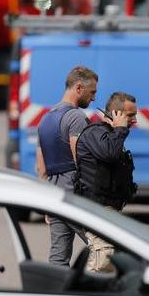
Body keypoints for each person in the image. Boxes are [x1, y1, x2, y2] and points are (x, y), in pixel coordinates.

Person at [36, 66, 98, 266]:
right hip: (75, 197)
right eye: (92, 92)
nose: (94, 98)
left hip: (54, 197)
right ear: (79, 88)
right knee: (102, 248)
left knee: (58, 259)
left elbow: (42, 168)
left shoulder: (45, 120)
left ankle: (55, 295)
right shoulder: (76, 118)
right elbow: (82, 160)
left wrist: (46, 202)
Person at [74, 92, 138, 273]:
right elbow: (108, 153)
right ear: (116, 114)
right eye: (130, 115)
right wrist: (120, 129)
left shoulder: (113, 137)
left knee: (110, 265)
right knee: (103, 260)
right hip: (95, 209)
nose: (135, 120)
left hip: (109, 212)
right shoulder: (96, 133)